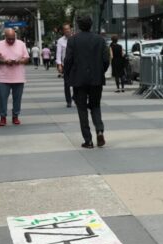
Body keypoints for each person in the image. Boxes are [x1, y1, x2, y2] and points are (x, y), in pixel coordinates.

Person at [64, 15, 109, 149]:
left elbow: (68, 60)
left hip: (79, 79)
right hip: (96, 79)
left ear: (78, 26)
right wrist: (100, 71)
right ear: (91, 25)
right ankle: (99, 130)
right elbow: (106, 60)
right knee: (95, 105)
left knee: (82, 109)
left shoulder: (73, 40)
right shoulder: (100, 40)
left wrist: (67, 74)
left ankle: (88, 140)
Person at [0, 27, 29, 127]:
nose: (11, 41)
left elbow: (26, 59)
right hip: (4, 77)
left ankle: (15, 116)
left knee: (17, 99)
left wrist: (19, 61)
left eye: (13, 38)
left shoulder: (21, 44)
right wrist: (4, 61)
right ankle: (3, 117)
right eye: (9, 39)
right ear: (5, 37)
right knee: (2, 99)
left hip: (19, 77)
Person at [55, 22, 73, 107]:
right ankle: (68, 101)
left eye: (68, 29)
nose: (67, 31)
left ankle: (75, 97)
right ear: (63, 31)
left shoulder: (75, 38)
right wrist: (59, 65)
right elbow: (58, 54)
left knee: (78, 83)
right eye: (65, 29)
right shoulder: (60, 41)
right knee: (67, 84)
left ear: (70, 29)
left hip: (75, 64)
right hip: (65, 65)